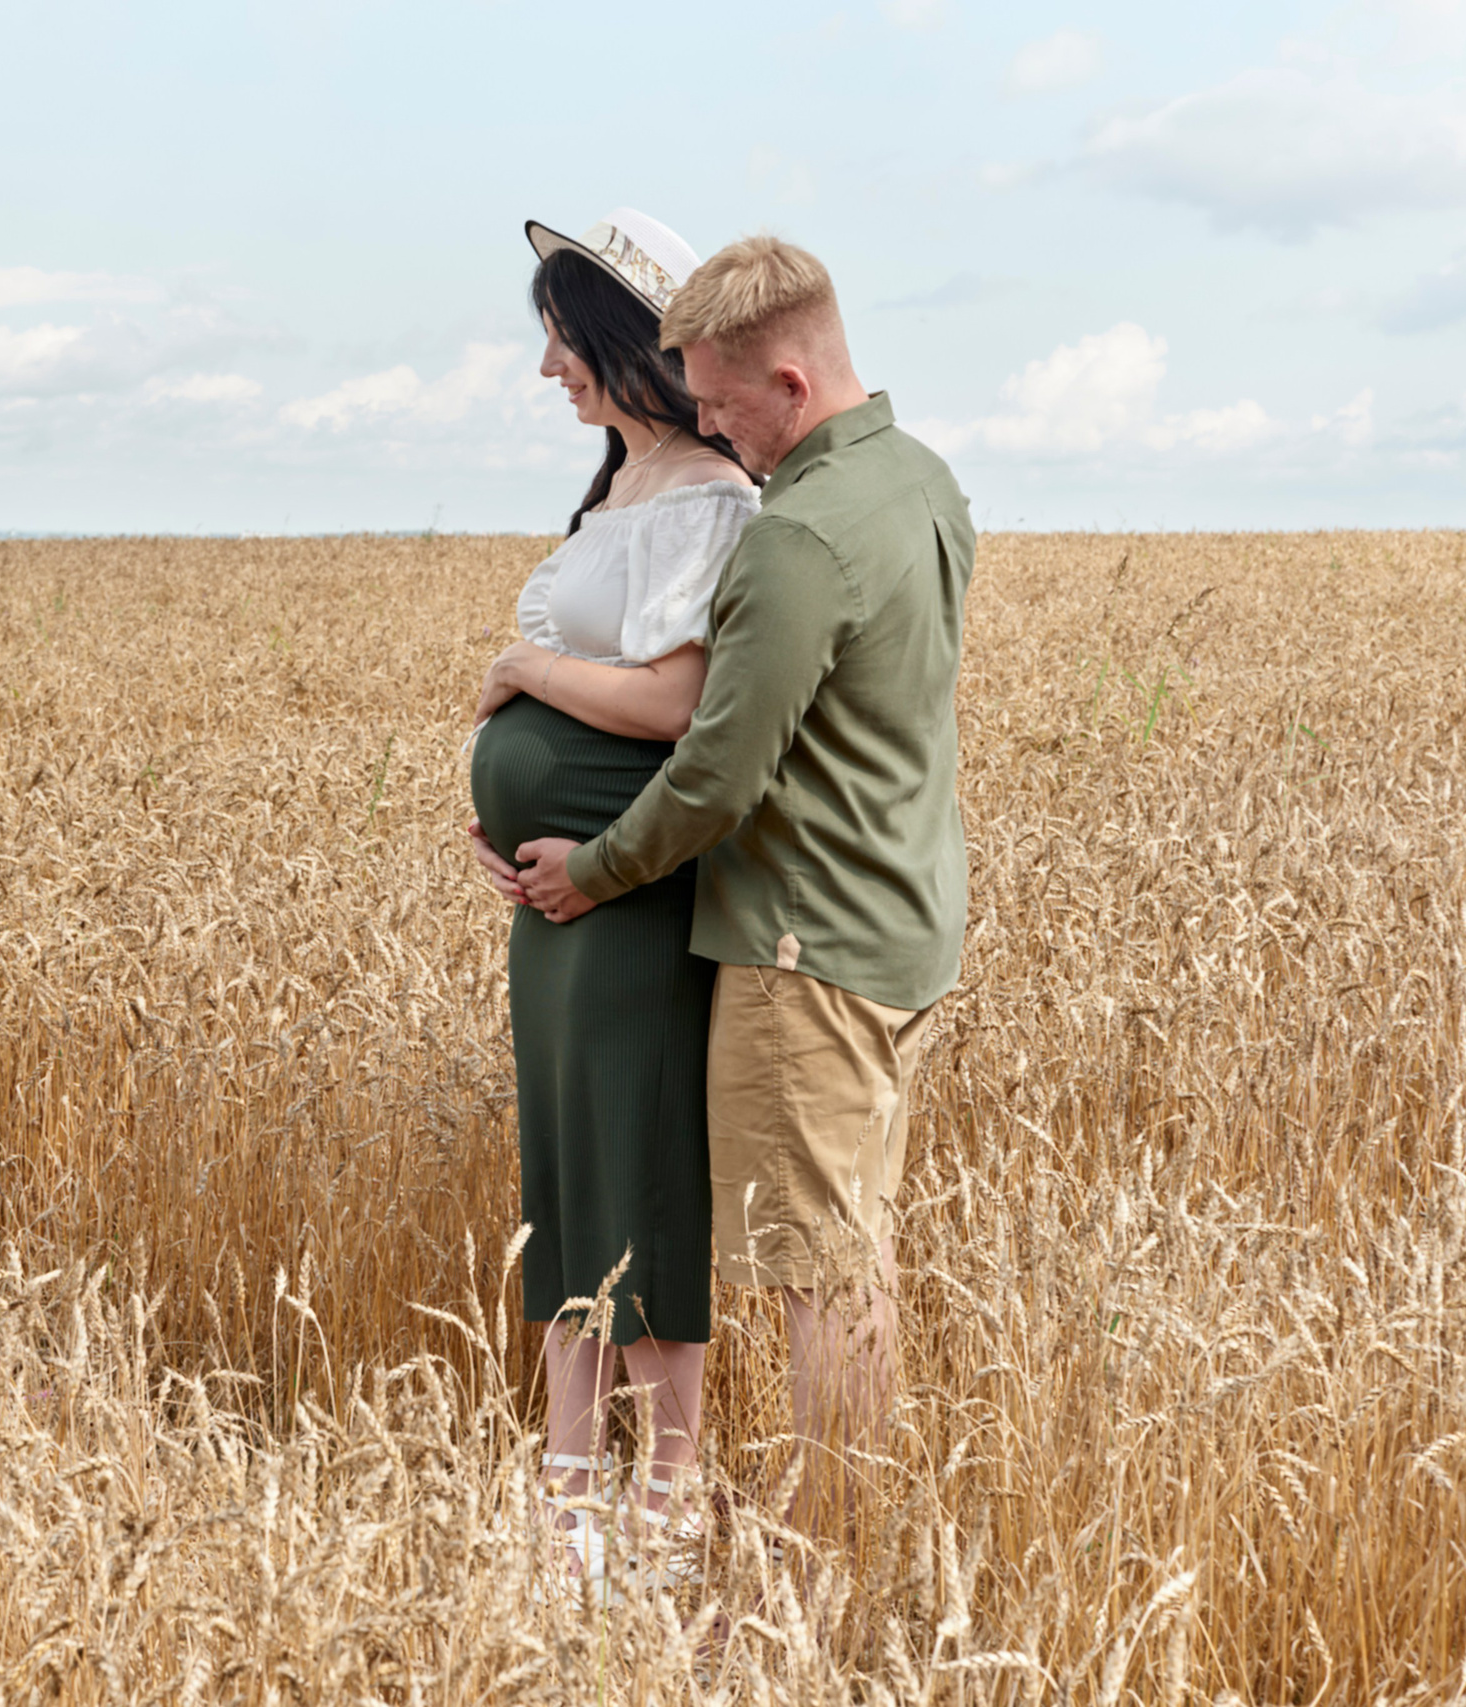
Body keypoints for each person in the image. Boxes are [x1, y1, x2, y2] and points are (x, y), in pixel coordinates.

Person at [512, 235, 975, 1545]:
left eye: (720, 403)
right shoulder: (919, 481)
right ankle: (849, 1536)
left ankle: (831, 1561)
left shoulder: (795, 539)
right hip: (898, 918)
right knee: (852, 1249)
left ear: (789, 378)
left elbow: (717, 772)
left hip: (800, 940)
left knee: (819, 1273)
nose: (708, 428)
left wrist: (592, 868)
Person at [464, 207, 757, 1587]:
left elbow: (677, 701)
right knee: (569, 1177)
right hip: (555, 903)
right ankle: (567, 1484)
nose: (548, 371)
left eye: (561, 342)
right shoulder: (626, 484)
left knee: (640, 1173)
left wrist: (523, 675)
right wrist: (504, 820)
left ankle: (669, 1499)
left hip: (631, 896)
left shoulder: (709, 495)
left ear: (626, 341)